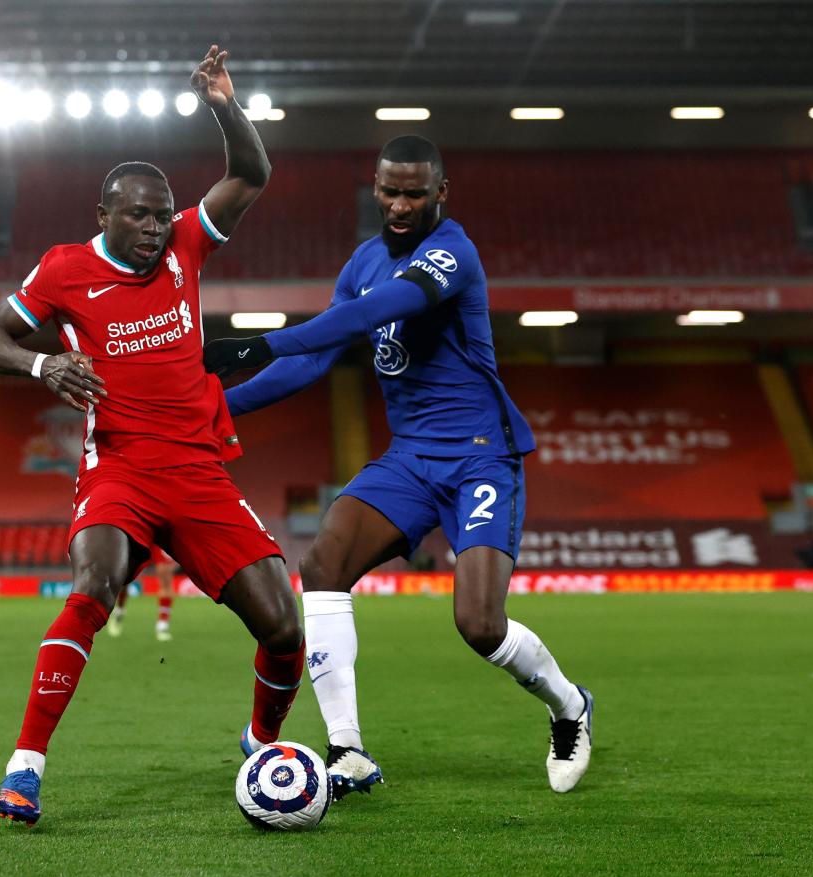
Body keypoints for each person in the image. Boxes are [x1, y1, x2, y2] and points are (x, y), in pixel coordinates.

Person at [0, 45, 302, 828]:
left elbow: (251, 175)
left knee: (282, 627)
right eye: (138, 215)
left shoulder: (189, 244)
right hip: (120, 467)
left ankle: (260, 742)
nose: (154, 228)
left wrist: (224, 103)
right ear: (104, 215)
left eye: (162, 214)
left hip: (199, 471)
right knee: (95, 584)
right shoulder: (64, 271)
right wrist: (43, 364)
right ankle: (25, 767)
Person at [204, 135, 593, 797]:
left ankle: (570, 708)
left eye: (416, 191)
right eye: (390, 190)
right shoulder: (362, 261)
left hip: (479, 458)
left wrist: (256, 343)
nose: (401, 203)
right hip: (410, 457)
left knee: (479, 626)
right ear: (375, 188)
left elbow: (380, 309)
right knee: (324, 562)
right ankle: (348, 752)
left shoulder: (452, 253)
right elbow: (313, 362)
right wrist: (217, 410)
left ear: (442, 192)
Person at [106, 546, 179, 641]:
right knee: (125, 578)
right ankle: (119, 611)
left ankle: (162, 625)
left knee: (165, 578)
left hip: (157, 539)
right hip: (141, 535)